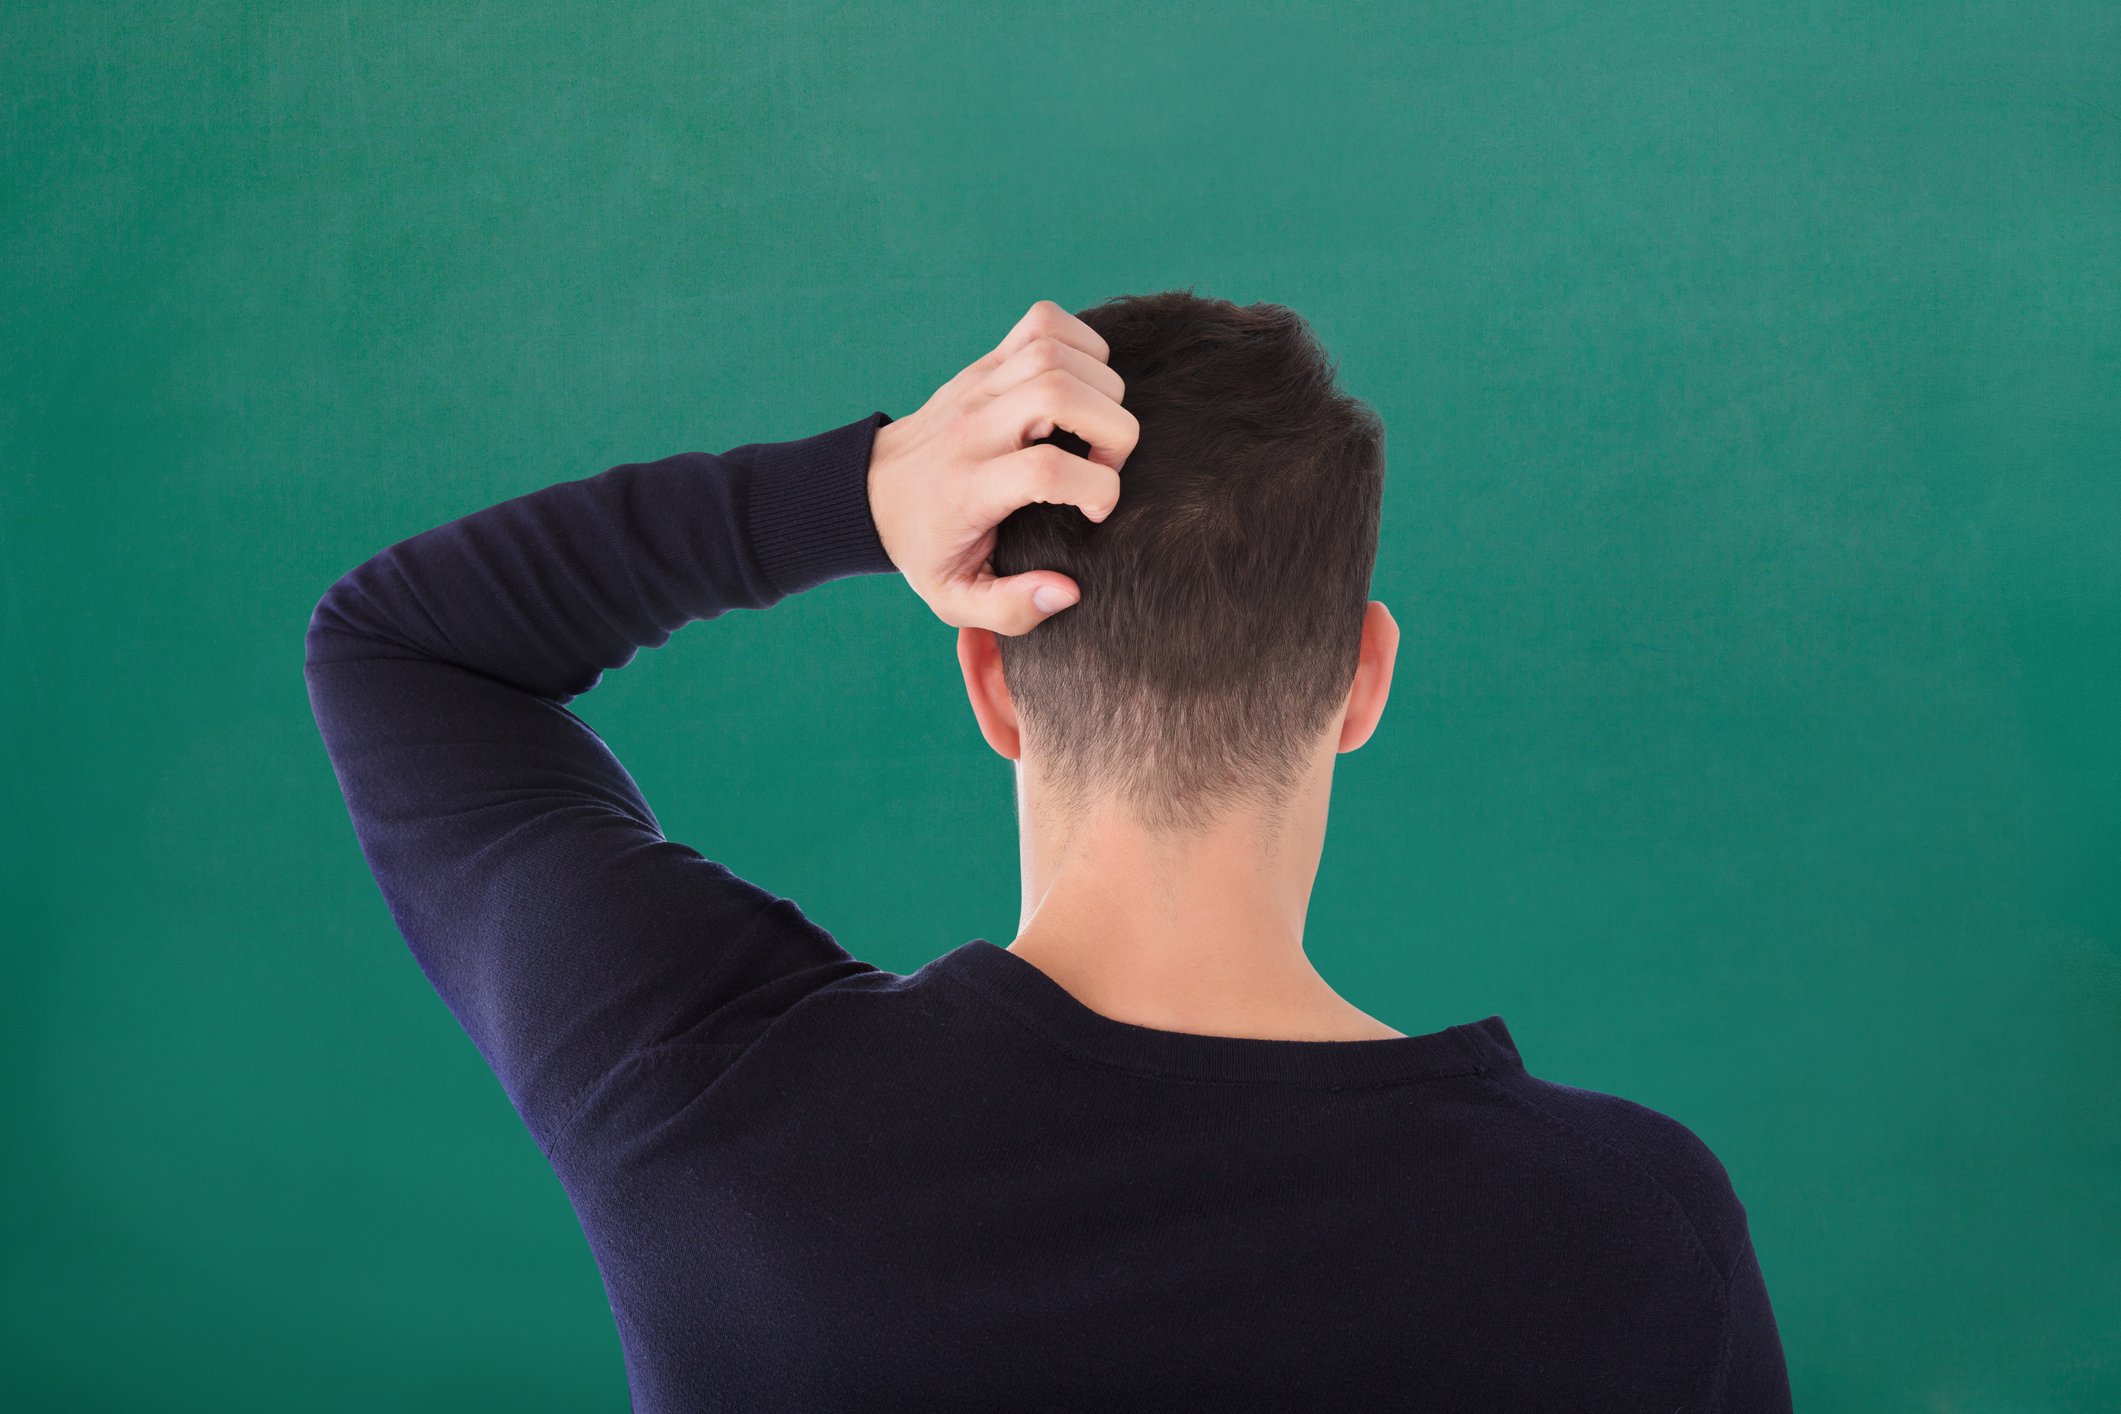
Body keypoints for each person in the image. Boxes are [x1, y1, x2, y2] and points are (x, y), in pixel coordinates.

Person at [305, 293, 1792, 1411]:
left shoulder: (720, 1111)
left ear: (990, 680)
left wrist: (863, 490)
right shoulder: (1631, 1232)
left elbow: (404, 647)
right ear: (1360, 677)